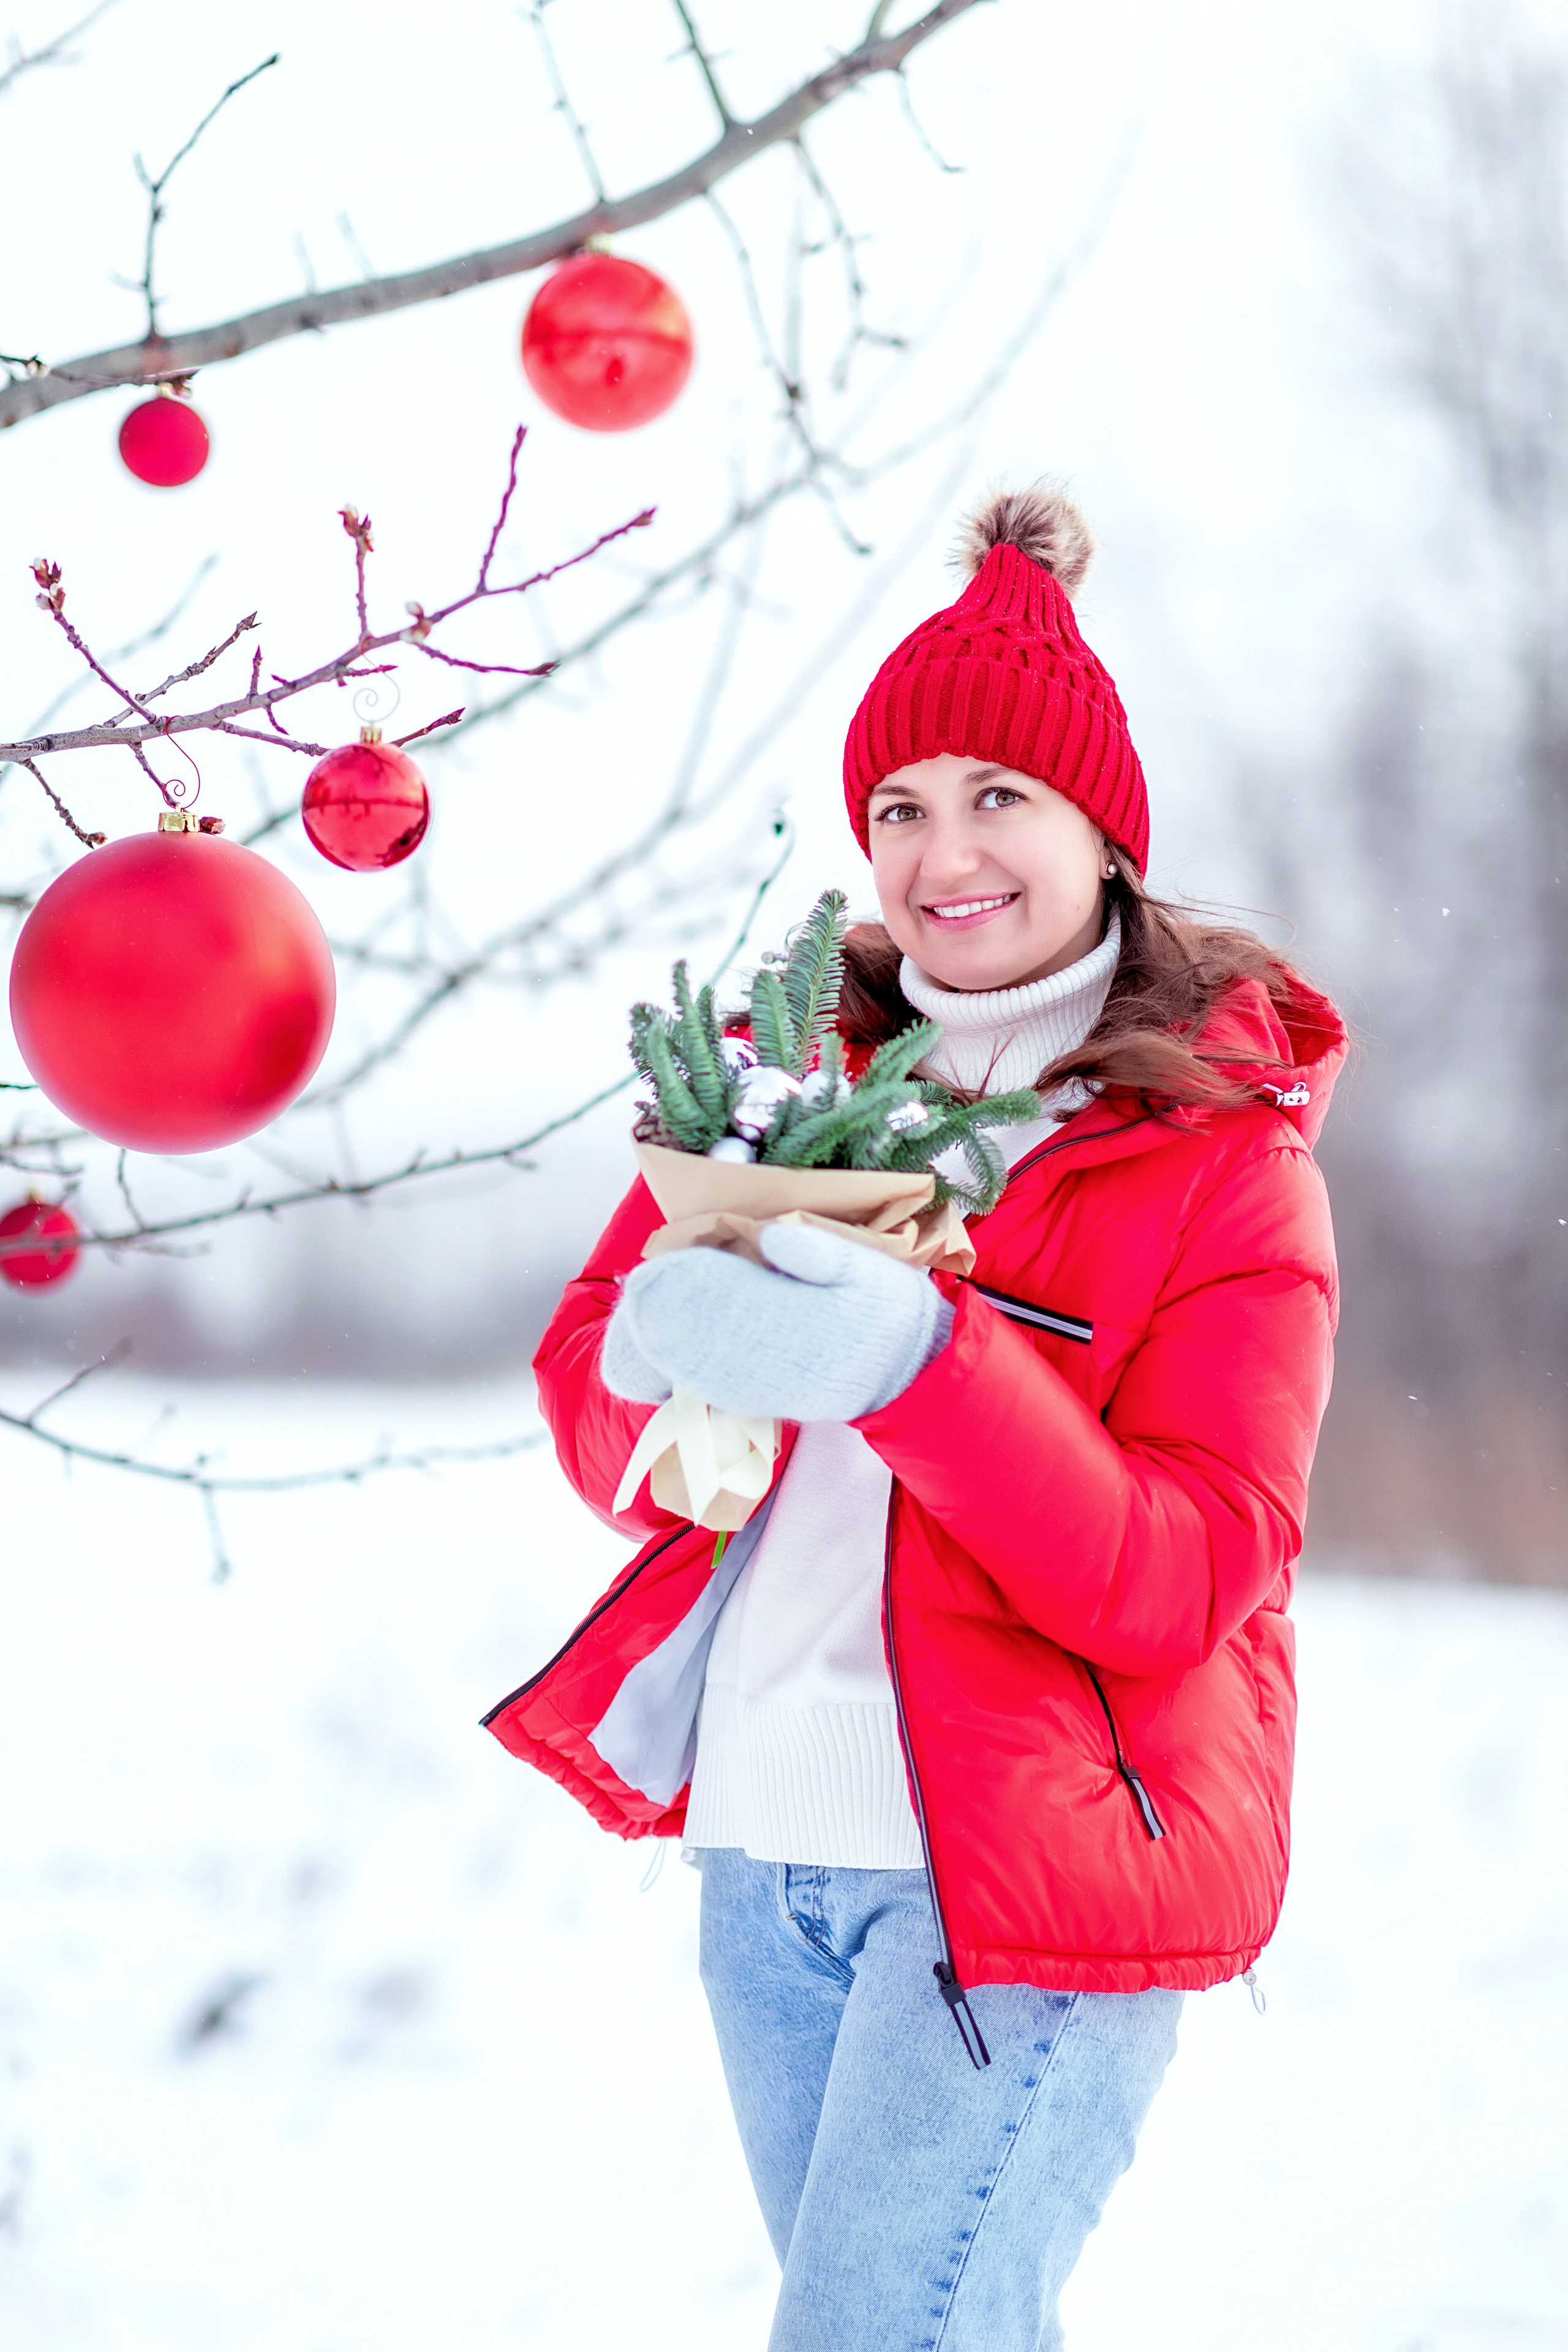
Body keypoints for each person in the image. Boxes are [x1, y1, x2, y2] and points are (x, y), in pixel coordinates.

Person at [486, 483, 1345, 2350]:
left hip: (1018, 1894)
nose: (941, 853)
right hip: (763, 1862)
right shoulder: (782, 1088)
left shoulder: (1220, 1164)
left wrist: (915, 1366)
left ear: (1103, 832)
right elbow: (595, 1409)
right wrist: (666, 1364)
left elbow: (1185, 1576)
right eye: (897, 807)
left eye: (996, 796)